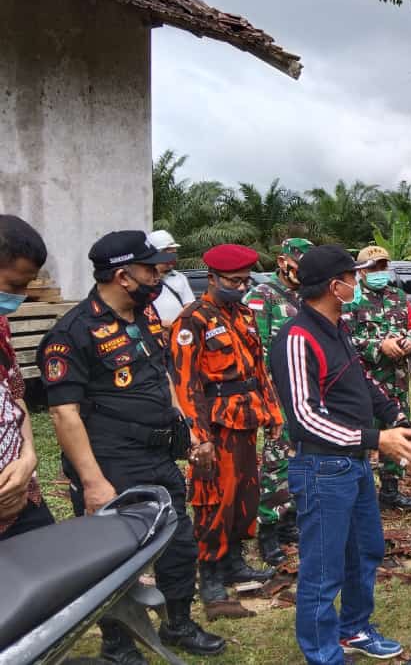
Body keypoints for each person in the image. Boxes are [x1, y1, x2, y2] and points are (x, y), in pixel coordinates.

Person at [41, 230, 225, 662]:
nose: (158, 275)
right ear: (123, 276)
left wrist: (188, 430)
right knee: (116, 558)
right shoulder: (73, 332)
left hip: (158, 453)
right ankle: (119, 644)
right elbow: (64, 414)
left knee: (178, 542)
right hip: (111, 461)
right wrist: (92, 482)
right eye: (150, 269)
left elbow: (162, 377)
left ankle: (178, 623)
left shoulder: (145, 317)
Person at [268, 244, 411, 665]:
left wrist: (394, 415)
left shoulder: (337, 328)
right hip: (321, 468)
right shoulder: (296, 337)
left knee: (365, 550)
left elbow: (361, 381)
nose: (358, 283)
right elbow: (305, 418)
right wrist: (376, 439)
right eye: (352, 277)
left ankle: (354, 628)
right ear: (333, 286)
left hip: (351, 465)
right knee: (323, 569)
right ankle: (323, 655)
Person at [170, 244, 282, 619]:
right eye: (234, 281)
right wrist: (198, 436)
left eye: (245, 280)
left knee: (245, 495)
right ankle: (211, 573)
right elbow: (186, 384)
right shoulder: (192, 320)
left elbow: (259, 370)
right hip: (215, 425)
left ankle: (235, 561)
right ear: (212, 278)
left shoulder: (244, 315)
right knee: (214, 499)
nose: (241, 286)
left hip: (246, 419)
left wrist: (273, 413)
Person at [244, 237, 313, 566]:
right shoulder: (262, 296)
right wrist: (266, 399)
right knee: (277, 462)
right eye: (298, 264)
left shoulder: (307, 296)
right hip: (276, 395)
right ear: (283, 261)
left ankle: (289, 520)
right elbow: (254, 353)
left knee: (301, 457)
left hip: (305, 392)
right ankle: (268, 527)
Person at [341, 245, 411, 511]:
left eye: (383, 266)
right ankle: (356, 493)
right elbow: (343, 339)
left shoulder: (398, 296)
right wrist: (378, 346)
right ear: (361, 271)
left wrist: (410, 342)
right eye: (373, 267)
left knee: (398, 433)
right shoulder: (350, 299)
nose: (379, 271)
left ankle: (390, 491)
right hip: (365, 384)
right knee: (363, 437)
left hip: (397, 382)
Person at [0, 215, 53, 541]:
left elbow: (15, 392)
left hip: (23, 496)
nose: (20, 297)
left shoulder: (0, 325)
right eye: (14, 286)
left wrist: (28, 455)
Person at [147, 230, 195, 328]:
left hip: (178, 330)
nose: (173, 258)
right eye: (169, 254)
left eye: (174, 253)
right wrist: (159, 323)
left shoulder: (179, 277)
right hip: (154, 330)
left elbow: (190, 304)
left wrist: (176, 323)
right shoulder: (143, 279)